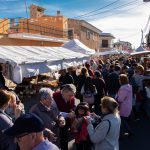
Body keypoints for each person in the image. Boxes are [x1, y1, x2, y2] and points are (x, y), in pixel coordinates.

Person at [53, 84, 76, 150]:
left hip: (67, 122)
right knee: (56, 138)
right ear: (63, 92)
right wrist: (67, 114)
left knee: (64, 137)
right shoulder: (54, 96)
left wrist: (73, 110)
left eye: (72, 95)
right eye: (70, 95)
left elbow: (72, 106)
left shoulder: (71, 97)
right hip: (56, 121)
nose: (71, 97)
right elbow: (53, 111)